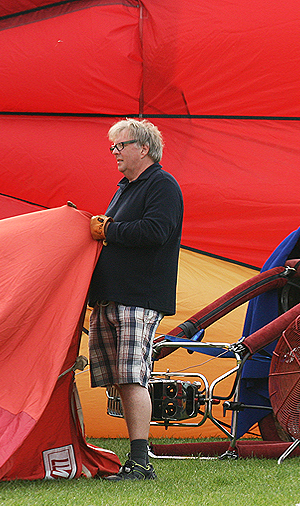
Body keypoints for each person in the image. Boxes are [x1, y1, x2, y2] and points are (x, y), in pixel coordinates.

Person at [87, 118, 183, 480]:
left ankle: (141, 462)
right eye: (112, 147)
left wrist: (108, 229)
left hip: (138, 298)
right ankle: (135, 459)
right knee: (117, 378)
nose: (114, 153)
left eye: (120, 146)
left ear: (143, 148)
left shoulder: (162, 185)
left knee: (131, 375)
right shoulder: (125, 189)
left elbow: (155, 231)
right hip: (112, 297)